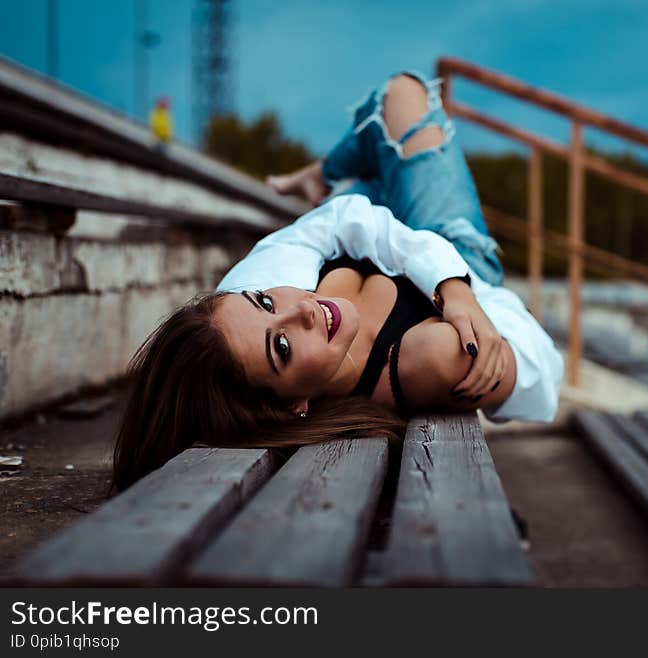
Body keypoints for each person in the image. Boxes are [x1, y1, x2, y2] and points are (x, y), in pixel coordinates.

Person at [112, 71, 563, 492]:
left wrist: (452, 293)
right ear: (293, 407)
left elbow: (339, 220)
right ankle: (334, 171)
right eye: (281, 348)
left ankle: (325, 174)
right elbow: (542, 373)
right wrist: (469, 289)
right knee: (403, 95)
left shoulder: (248, 288)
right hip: (454, 247)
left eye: (265, 304)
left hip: (373, 215)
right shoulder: (437, 361)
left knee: (384, 124)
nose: (302, 309)